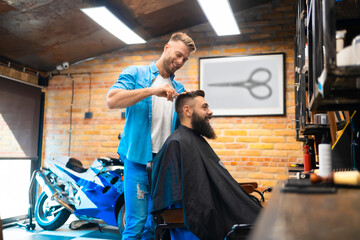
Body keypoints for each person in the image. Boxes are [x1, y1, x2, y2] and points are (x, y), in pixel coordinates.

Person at [106, 32, 196, 239]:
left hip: (164, 166)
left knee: (151, 226)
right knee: (135, 225)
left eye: (185, 59)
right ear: (166, 48)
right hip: (138, 162)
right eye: (178, 54)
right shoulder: (135, 74)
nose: (180, 61)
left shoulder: (178, 89)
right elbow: (112, 100)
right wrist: (151, 91)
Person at [151, 90, 262, 240]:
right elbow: (175, 196)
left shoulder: (194, 139)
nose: (210, 112)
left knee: (261, 219)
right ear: (187, 111)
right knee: (258, 223)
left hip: (215, 205)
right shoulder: (176, 143)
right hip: (196, 218)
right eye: (204, 107)